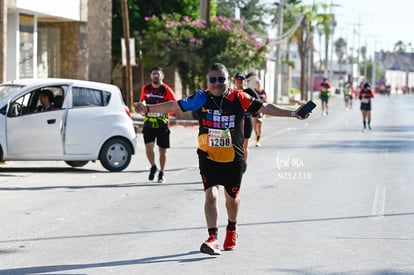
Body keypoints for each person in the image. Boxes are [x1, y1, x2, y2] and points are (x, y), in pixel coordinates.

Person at [134, 63, 309, 256]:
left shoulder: (239, 98)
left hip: (233, 158)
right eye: (213, 80)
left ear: (227, 80)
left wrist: (294, 113)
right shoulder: (201, 97)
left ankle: (232, 228)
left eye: (221, 79)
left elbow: (265, 107)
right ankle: (212, 237)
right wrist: (149, 109)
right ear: (207, 81)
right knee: (211, 195)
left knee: (231, 199)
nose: (217, 83)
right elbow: (174, 105)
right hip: (208, 155)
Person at [139, 67, 177, 183]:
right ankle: (153, 166)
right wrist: (140, 107)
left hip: (162, 124)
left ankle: (162, 172)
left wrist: (168, 112)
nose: (156, 76)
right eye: (153, 73)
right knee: (149, 148)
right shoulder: (146, 88)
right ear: (151, 76)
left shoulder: (166, 89)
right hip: (149, 123)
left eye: (158, 74)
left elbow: (174, 104)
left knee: (162, 151)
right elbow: (141, 102)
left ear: (162, 76)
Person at [233, 72, 260, 165]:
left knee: (244, 146)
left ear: (245, 81)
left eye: (242, 80)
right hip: (235, 123)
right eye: (238, 79)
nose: (240, 81)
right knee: (234, 146)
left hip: (247, 121)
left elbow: (259, 103)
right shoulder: (232, 92)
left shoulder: (249, 91)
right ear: (234, 81)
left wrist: (256, 114)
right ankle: (235, 164)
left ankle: (243, 165)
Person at [252, 79, 268, 147]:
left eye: (259, 84)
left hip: (261, 112)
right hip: (254, 111)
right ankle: (256, 136)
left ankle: (258, 141)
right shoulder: (253, 92)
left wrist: (264, 100)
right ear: (255, 85)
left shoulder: (263, 92)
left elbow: (266, 100)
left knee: (259, 126)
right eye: (257, 84)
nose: (258, 85)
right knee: (255, 127)